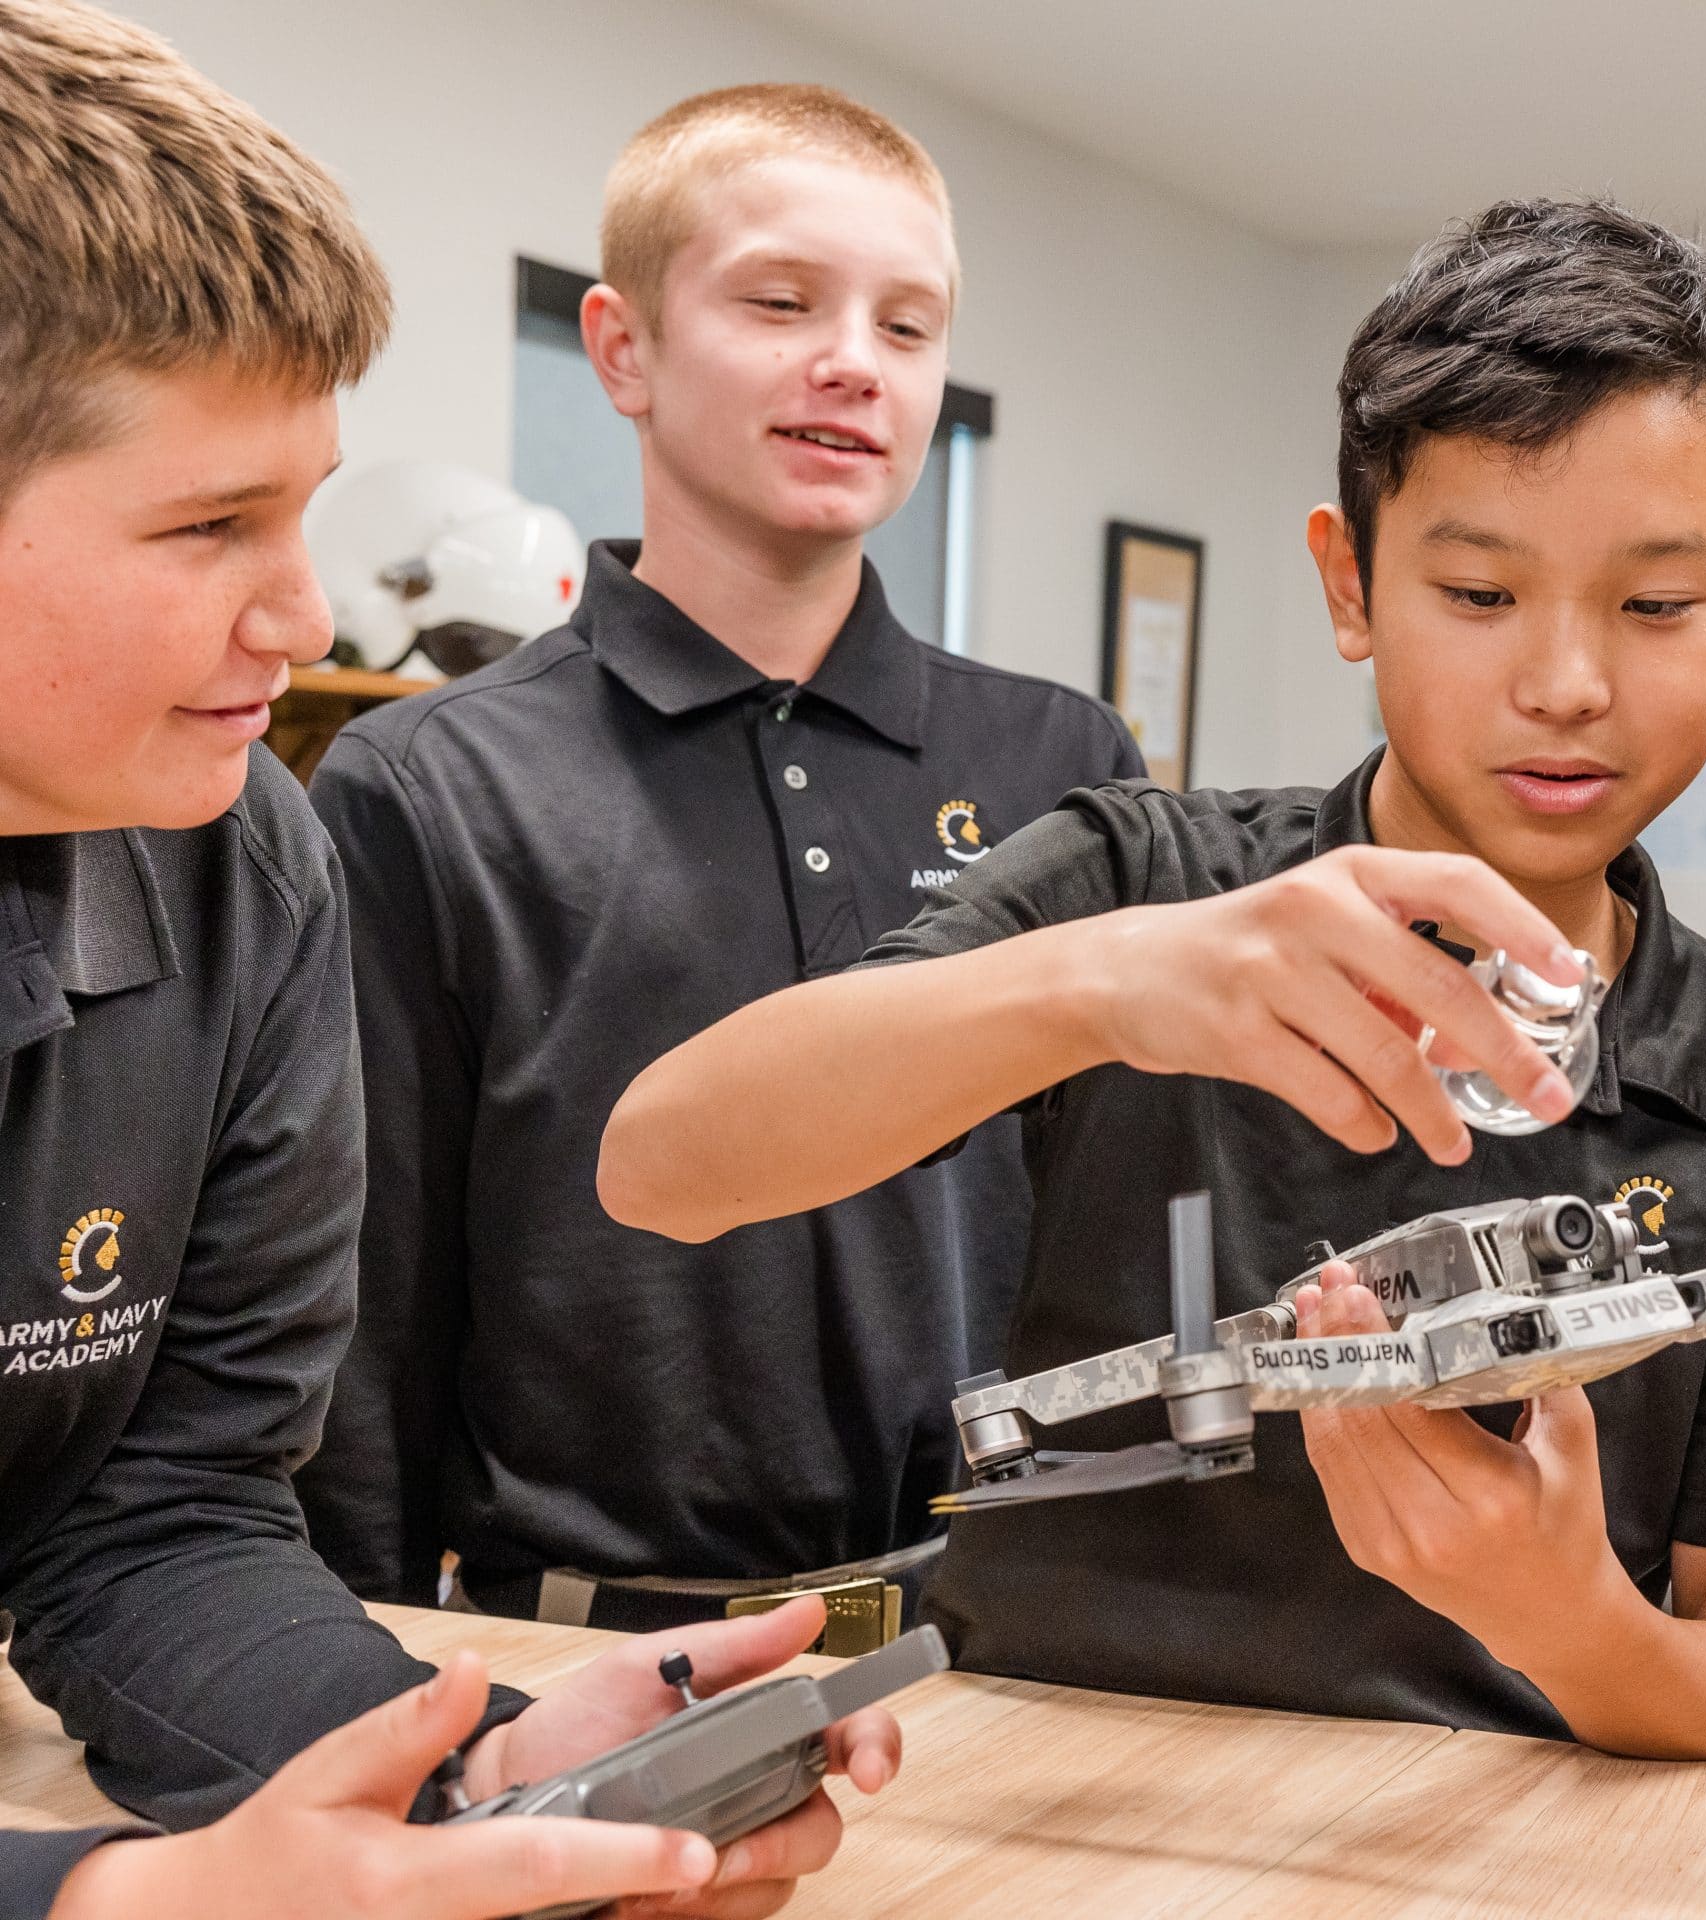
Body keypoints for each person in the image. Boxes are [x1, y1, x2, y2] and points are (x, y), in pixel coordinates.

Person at [598, 198, 1706, 1767]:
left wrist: (1557, 1611)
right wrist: (1106, 982)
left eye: (1658, 605)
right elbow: (664, 1160)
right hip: (1046, 1798)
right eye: (1478, 595)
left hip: (1502, 1846)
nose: (1566, 682)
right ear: (1348, 585)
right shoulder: (1146, 884)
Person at [0, 6, 894, 1914]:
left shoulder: (242, 866)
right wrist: (96, 1896)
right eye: (208, 524)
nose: (306, 612)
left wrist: (448, 1761)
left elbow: (151, 1517)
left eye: (306, 508)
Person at [291, 83, 1142, 1646]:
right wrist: (366, 1684)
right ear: (621, 348)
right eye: (780, 302)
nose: (852, 365)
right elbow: (367, 1319)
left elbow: (1123, 1246)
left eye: (909, 326)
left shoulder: (1065, 767)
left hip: (1002, 1649)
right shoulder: (431, 786)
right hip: (570, 1653)